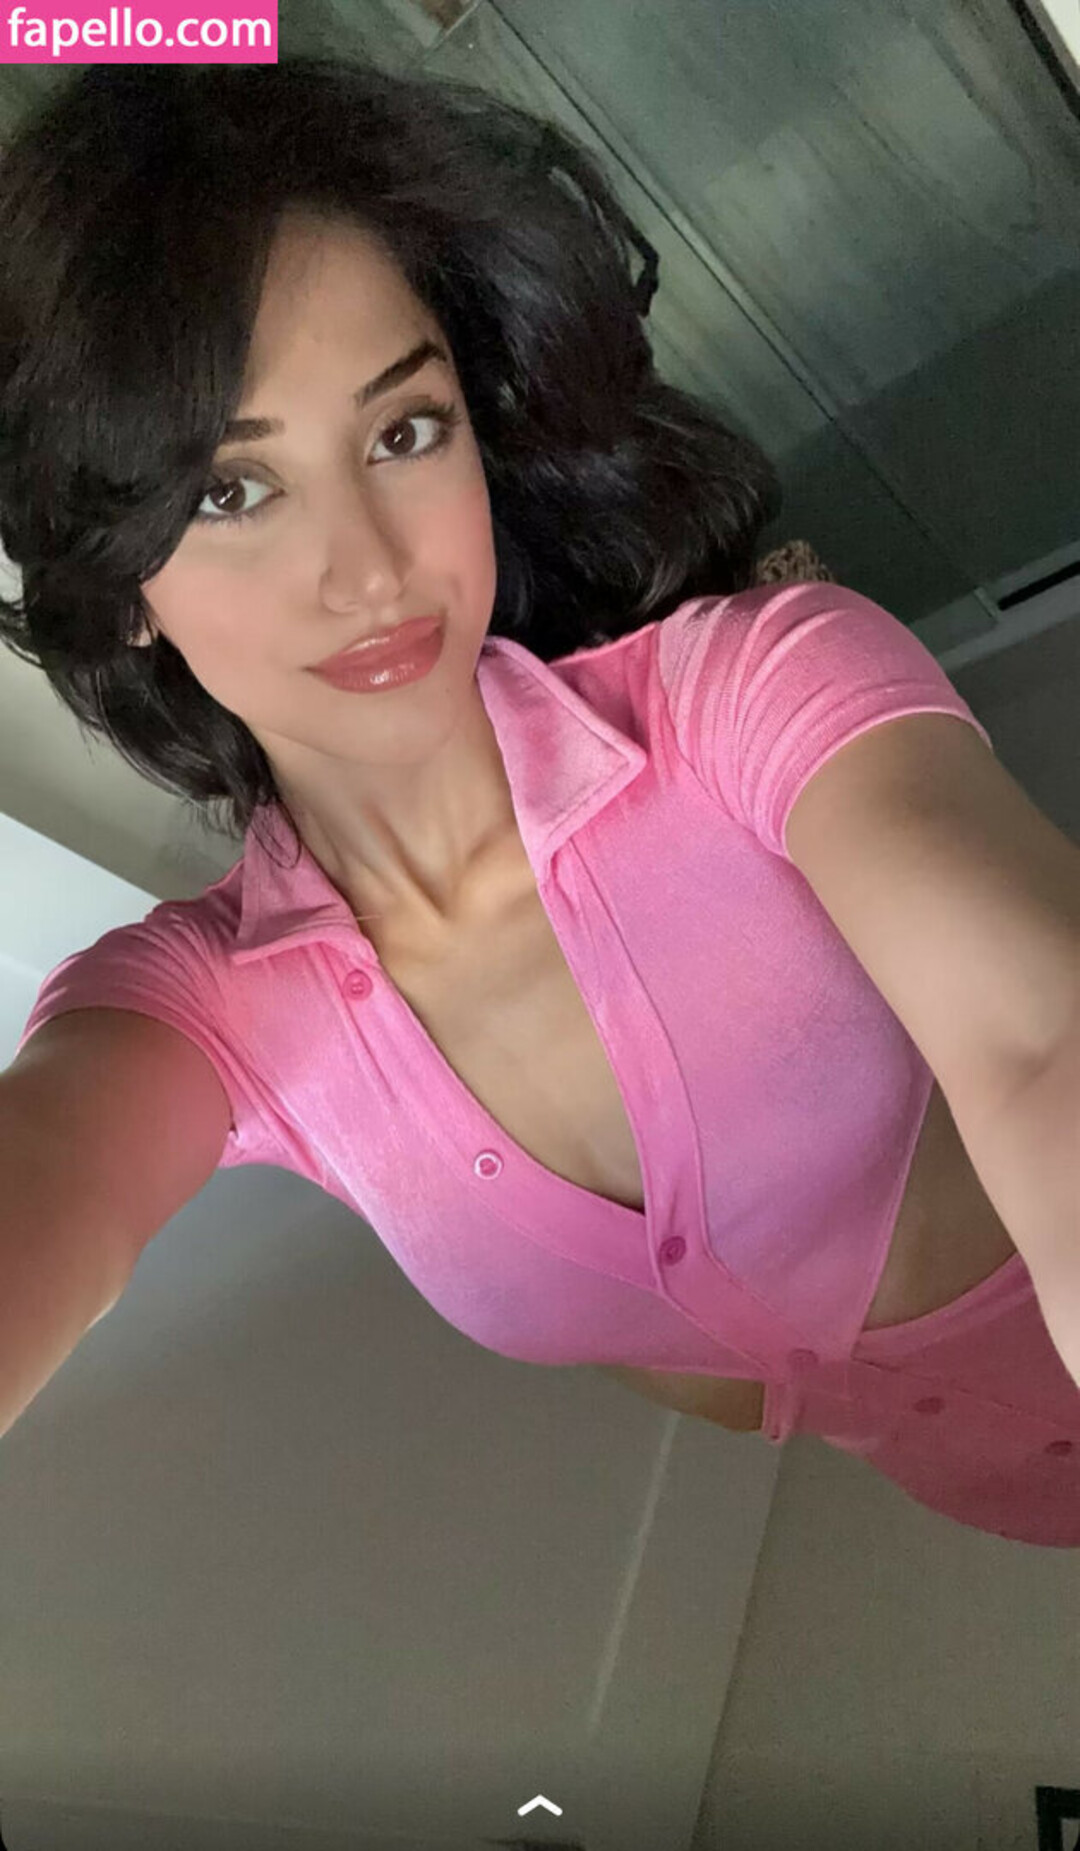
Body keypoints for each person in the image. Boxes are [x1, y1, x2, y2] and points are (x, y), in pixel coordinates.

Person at [0, 58, 1077, 1545]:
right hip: (996, 1497)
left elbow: (1043, 1031)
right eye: (230, 493)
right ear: (118, 581)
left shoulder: (748, 694)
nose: (370, 569)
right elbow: (46, 1181)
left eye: (403, 432)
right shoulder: (206, 1014)